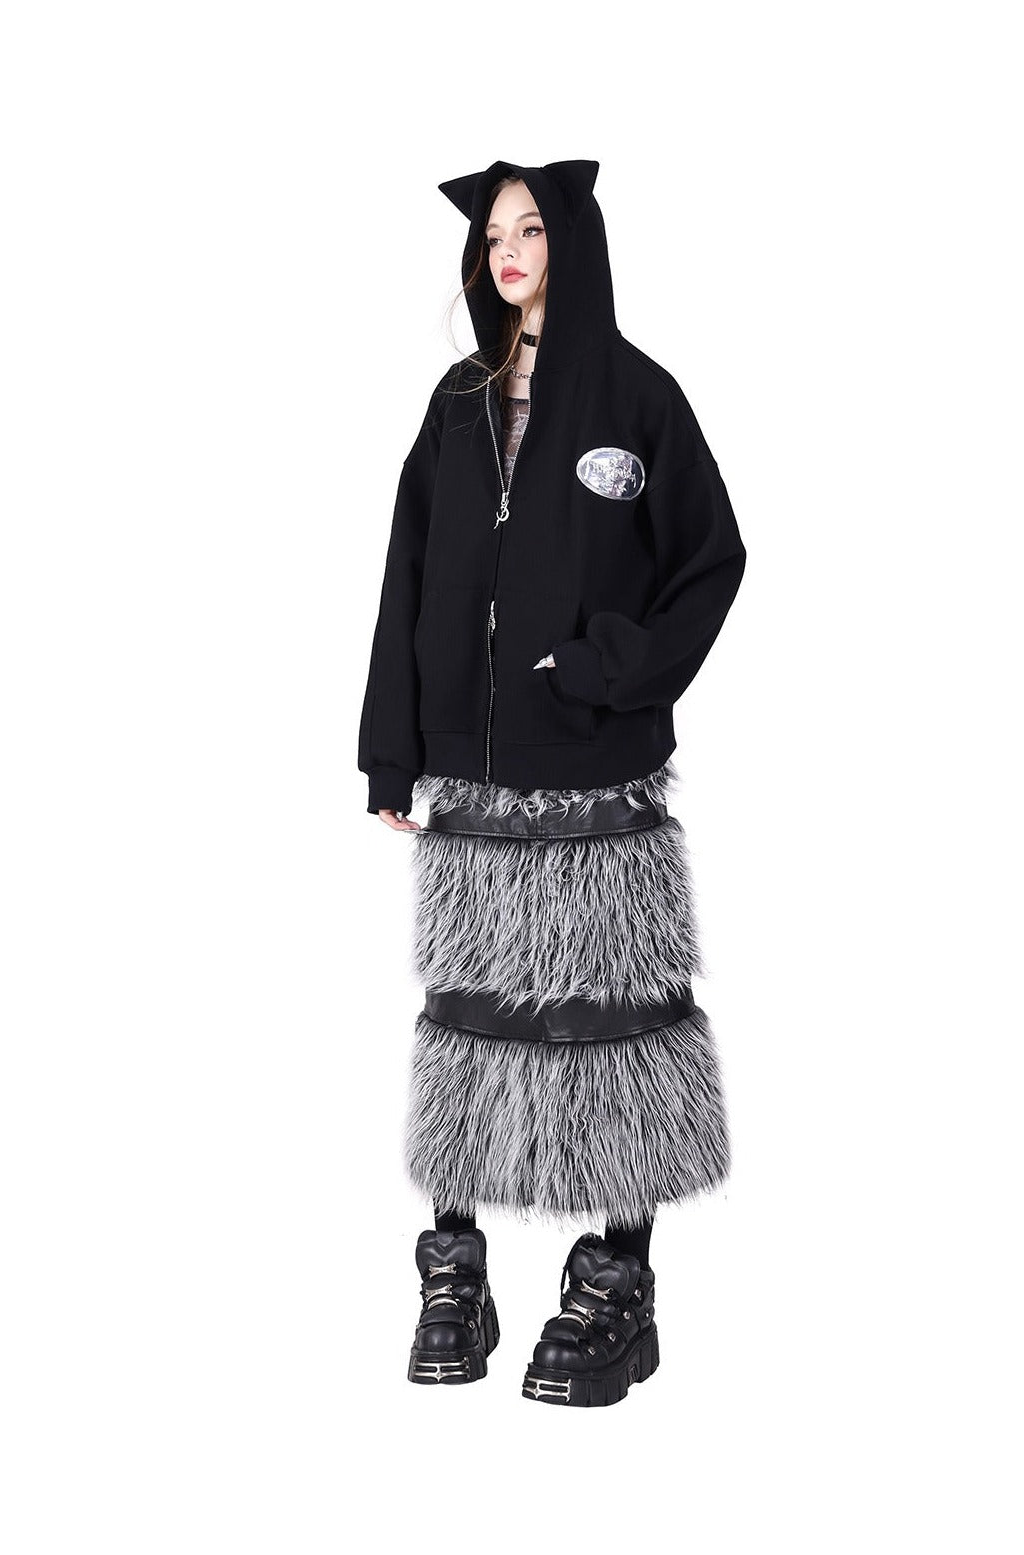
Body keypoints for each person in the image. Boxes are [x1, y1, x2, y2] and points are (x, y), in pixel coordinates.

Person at [357, 158, 748, 1407]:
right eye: (493, 234)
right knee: (470, 1026)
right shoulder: (456, 403)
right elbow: (408, 572)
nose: (509, 249)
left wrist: (604, 667)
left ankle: (614, 1290)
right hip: (471, 786)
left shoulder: (639, 399)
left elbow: (711, 561)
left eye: (530, 228)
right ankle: (455, 1277)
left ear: (573, 240)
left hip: (593, 778)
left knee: (614, 1027)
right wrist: (391, 743)